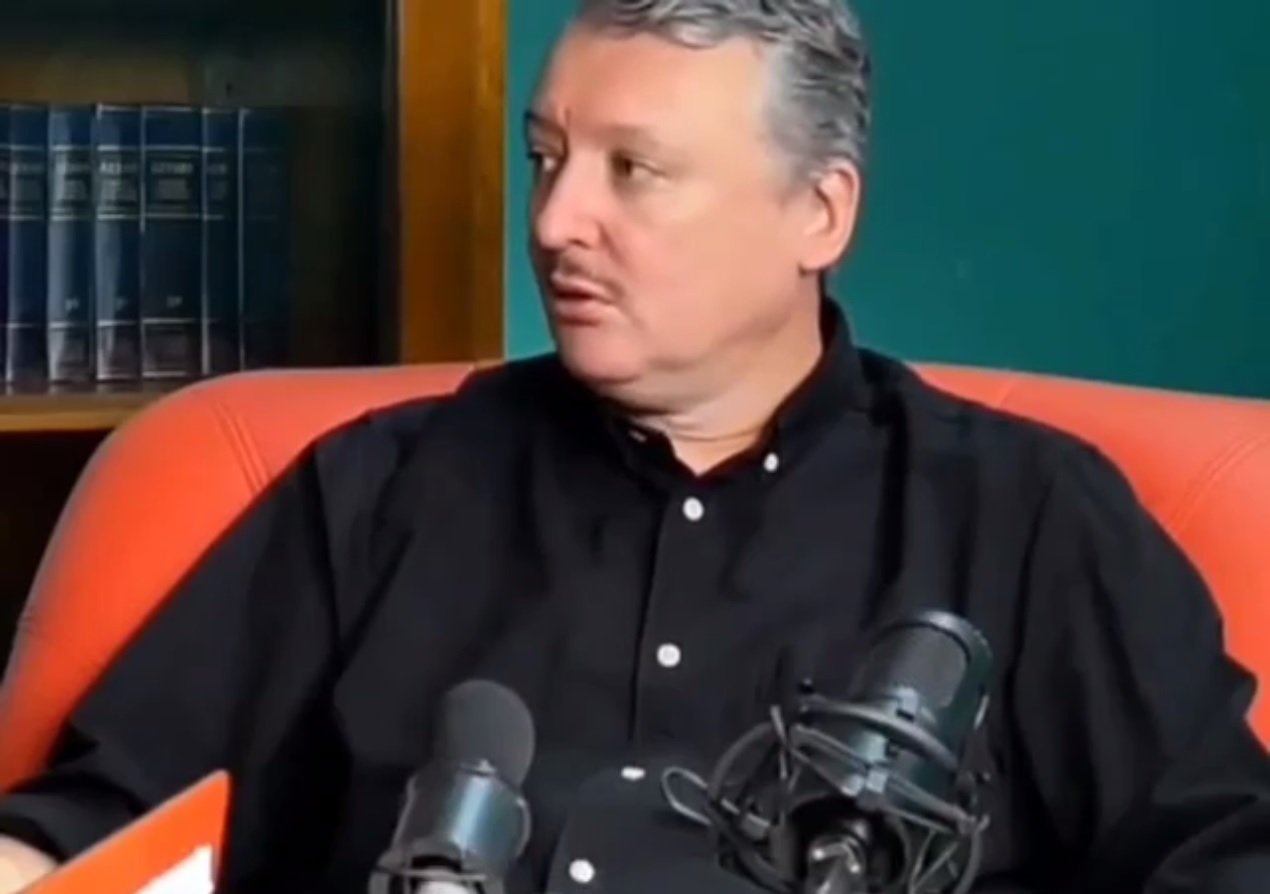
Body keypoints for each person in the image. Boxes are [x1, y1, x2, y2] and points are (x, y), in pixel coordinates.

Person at [0, 0, 1268, 891]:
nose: (557, 221)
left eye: (634, 171)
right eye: (544, 158)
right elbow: (96, 830)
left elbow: (1221, 856)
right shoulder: (370, 492)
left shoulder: (1030, 517)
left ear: (818, 213)